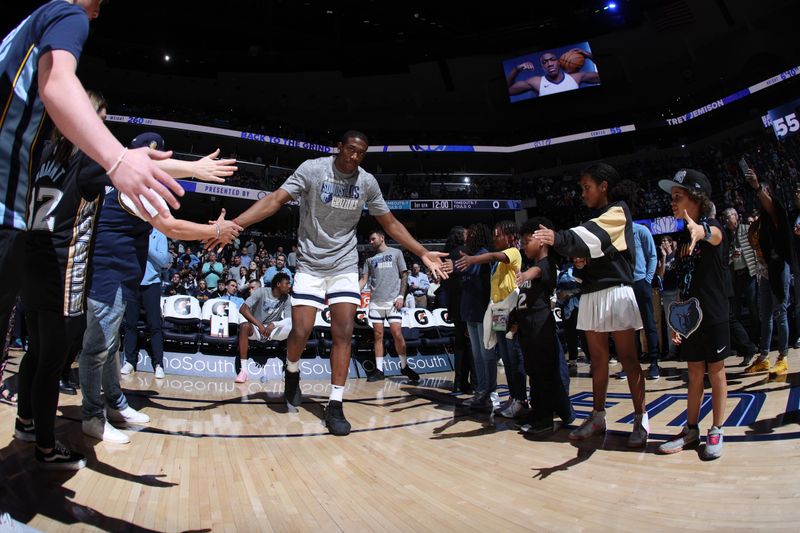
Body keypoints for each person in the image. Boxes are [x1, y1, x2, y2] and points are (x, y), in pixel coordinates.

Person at [205, 130, 447, 436]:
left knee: (343, 332)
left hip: (344, 264)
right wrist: (236, 224)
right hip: (309, 263)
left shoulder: (367, 182)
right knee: (301, 330)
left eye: (361, 153)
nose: (354, 156)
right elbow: (276, 200)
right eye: (350, 149)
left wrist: (422, 252)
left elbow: (391, 224)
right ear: (339, 147)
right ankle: (291, 370)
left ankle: (335, 403)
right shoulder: (312, 169)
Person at [0, 0, 188, 391]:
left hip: (37, 243)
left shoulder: (19, 32)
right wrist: (118, 158)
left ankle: (35, 425)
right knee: (64, 345)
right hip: (39, 240)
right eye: (99, 2)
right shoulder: (65, 14)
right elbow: (57, 84)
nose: (98, 12)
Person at [80, 132, 241, 445]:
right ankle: (91, 415)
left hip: (123, 275)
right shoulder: (132, 188)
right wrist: (216, 229)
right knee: (97, 349)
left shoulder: (124, 178)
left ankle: (115, 404)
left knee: (110, 347)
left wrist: (193, 169)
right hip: (107, 275)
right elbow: (172, 227)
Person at [533, 164, 648, 447]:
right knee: (597, 362)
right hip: (593, 295)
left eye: (587, 187)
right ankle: (598, 416)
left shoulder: (618, 211)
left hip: (617, 293)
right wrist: (582, 266)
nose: (582, 193)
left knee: (629, 360)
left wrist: (557, 238)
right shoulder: (595, 219)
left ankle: (641, 417)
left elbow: (588, 236)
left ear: (603, 185)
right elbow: (587, 255)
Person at [656, 169, 729, 459]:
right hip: (692, 320)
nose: (672, 203)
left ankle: (717, 429)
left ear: (696, 198)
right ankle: (691, 429)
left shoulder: (709, 226)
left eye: (678, 197)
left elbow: (716, 235)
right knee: (695, 372)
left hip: (714, 314)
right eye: (672, 198)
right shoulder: (683, 238)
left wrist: (702, 230)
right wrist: (678, 323)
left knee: (717, 371)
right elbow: (685, 283)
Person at [456, 221, 528, 418]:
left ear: (510, 236)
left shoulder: (513, 252)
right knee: (505, 356)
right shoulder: (497, 262)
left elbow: (495, 255)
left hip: (510, 312)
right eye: (494, 235)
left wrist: (473, 260)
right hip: (498, 312)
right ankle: (513, 398)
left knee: (513, 357)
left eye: (498, 235)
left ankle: (521, 399)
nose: (495, 238)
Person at [511, 217, 575, 434]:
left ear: (541, 241)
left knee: (545, 375)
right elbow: (524, 298)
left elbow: (536, 273)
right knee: (535, 373)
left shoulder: (547, 264)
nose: (522, 245)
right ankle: (545, 412)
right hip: (528, 330)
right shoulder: (531, 265)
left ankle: (546, 419)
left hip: (541, 328)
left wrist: (524, 275)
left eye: (526, 240)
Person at [744, 169, 795, 375]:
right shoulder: (759, 221)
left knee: (780, 312)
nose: (760, 196)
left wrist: (756, 186)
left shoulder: (776, 213)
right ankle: (764, 356)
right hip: (762, 270)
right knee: (765, 315)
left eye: (764, 192)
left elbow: (771, 207)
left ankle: (783, 356)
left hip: (778, 268)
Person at [358, 230, 419, 383]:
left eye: (373, 239)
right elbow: (364, 280)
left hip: (393, 300)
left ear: (382, 238)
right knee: (378, 336)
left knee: (397, 333)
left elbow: (404, 275)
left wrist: (401, 296)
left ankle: (404, 365)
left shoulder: (396, 253)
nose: (371, 242)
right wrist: (352, 292)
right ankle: (379, 370)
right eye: (370, 240)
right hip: (375, 302)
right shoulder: (369, 259)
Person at [121, 228, 171, 378]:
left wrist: (146, 246)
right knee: (130, 324)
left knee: (154, 325)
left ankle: (158, 364)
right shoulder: (134, 231)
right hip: (133, 283)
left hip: (152, 284)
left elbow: (163, 261)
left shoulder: (160, 234)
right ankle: (129, 361)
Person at [458, 224, 498, 410]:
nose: (465, 236)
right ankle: (481, 391)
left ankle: (490, 391)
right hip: (470, 310)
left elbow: (469, 276)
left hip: (482, 310)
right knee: (477, 354)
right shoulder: (469, 255)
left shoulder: (481, 255)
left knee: (486, 354)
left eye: (468, 233)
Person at [235, 274, 292, 383]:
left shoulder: (287, 297)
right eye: (287, 283)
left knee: (293, 329)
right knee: (244, 326)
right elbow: (243, 309)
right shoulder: (261, 291)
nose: (289, 286)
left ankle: (288, 368)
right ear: (278, 284)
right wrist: (259, 325)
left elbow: (289, 319)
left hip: (273, 330)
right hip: (256, 328)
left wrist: (274, 324)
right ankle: (244, 371)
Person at [440, 226, 473, 393]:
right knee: (472, 344)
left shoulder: (446, 255)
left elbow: (443, 284)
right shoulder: (465, 252)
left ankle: (459, 381)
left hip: (453, 304)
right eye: (467, 233)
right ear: (461, 237)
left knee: (460, 345)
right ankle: (474, 381)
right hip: (467, 304)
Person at [507, 48, 599, 97]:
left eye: (552, 60)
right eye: (545, 62)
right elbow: (508, 91)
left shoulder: (576, 77)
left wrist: (589, 55)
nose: (549, 64)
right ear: (542, 67)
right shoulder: (536, 82)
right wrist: (516, 69)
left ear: (559, 62)